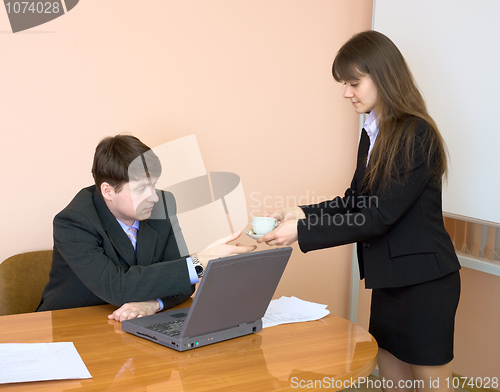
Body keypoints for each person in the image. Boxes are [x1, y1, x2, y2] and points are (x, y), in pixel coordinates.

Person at [257, 30, 460, 392]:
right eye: (344, 84)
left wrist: (301, 234)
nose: (346, 93)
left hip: (425, 284)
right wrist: (301, 214)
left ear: (383, 76)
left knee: (432, 386)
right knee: (391, 382)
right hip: (389, 281)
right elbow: (356, 200)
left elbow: (379, 216)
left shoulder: (416, 134)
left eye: (353, 82)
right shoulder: (372, 131)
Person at [37, 134, 256, 321]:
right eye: (141, 188)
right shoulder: (74, 222)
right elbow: (117, 287)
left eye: (154, 184)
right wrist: (199, 263)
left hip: (131, 325)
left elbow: (182, 283)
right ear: (108, 191)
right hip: (72, 328)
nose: (153, 196)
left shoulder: (163, 204)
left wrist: (154, 304)